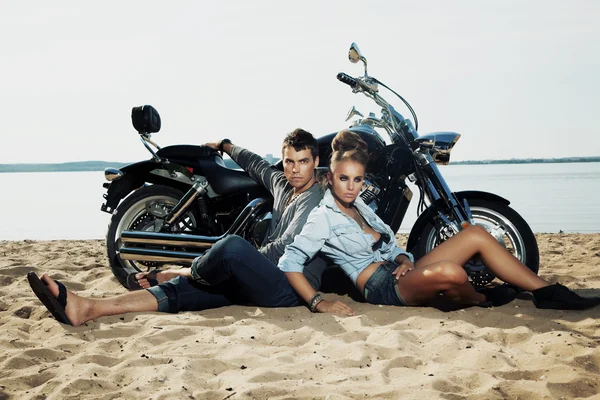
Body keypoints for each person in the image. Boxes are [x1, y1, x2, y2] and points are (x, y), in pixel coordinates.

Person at [27, 129, 351, 327]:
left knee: (233, 247)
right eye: (289, 161)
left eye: (303, 162)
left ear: (316, 160)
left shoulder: (317, 201)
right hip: (260, 280)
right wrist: (227, 145)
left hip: (287, 289)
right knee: (187, 294)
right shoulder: (283, 182)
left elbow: (284, 252)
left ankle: (179, 271)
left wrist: (237, 264)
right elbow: (255, 164)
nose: (295, 170)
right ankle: (88, 309)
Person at [277, 130, 600, 314]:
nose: (351, 186)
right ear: (330, 178)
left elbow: (390, 246)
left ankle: (547, 292)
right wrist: (319, 303)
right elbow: (290, 261)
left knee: (474, 233)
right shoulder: (322, 216)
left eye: (358, 179)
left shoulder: (360, 205)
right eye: (344, 179)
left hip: (398, 270)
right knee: (451, 272)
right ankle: (480, 299)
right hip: (378, 287)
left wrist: (403, 257)